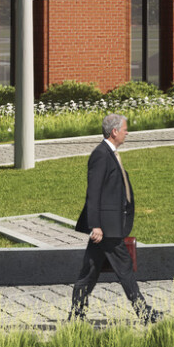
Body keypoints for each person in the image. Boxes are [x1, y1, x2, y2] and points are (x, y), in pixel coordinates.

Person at [68, 113, 159, 322]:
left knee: (89, 273)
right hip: (106, 229)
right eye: (125, 129)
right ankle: (143, 312)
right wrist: (96, 226)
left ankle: (76, 315)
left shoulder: (112, 154)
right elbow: (94, 192)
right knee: (124, 269)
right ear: (114, 131)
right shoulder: (100, 155)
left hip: (109, 227)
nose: (127, 132)